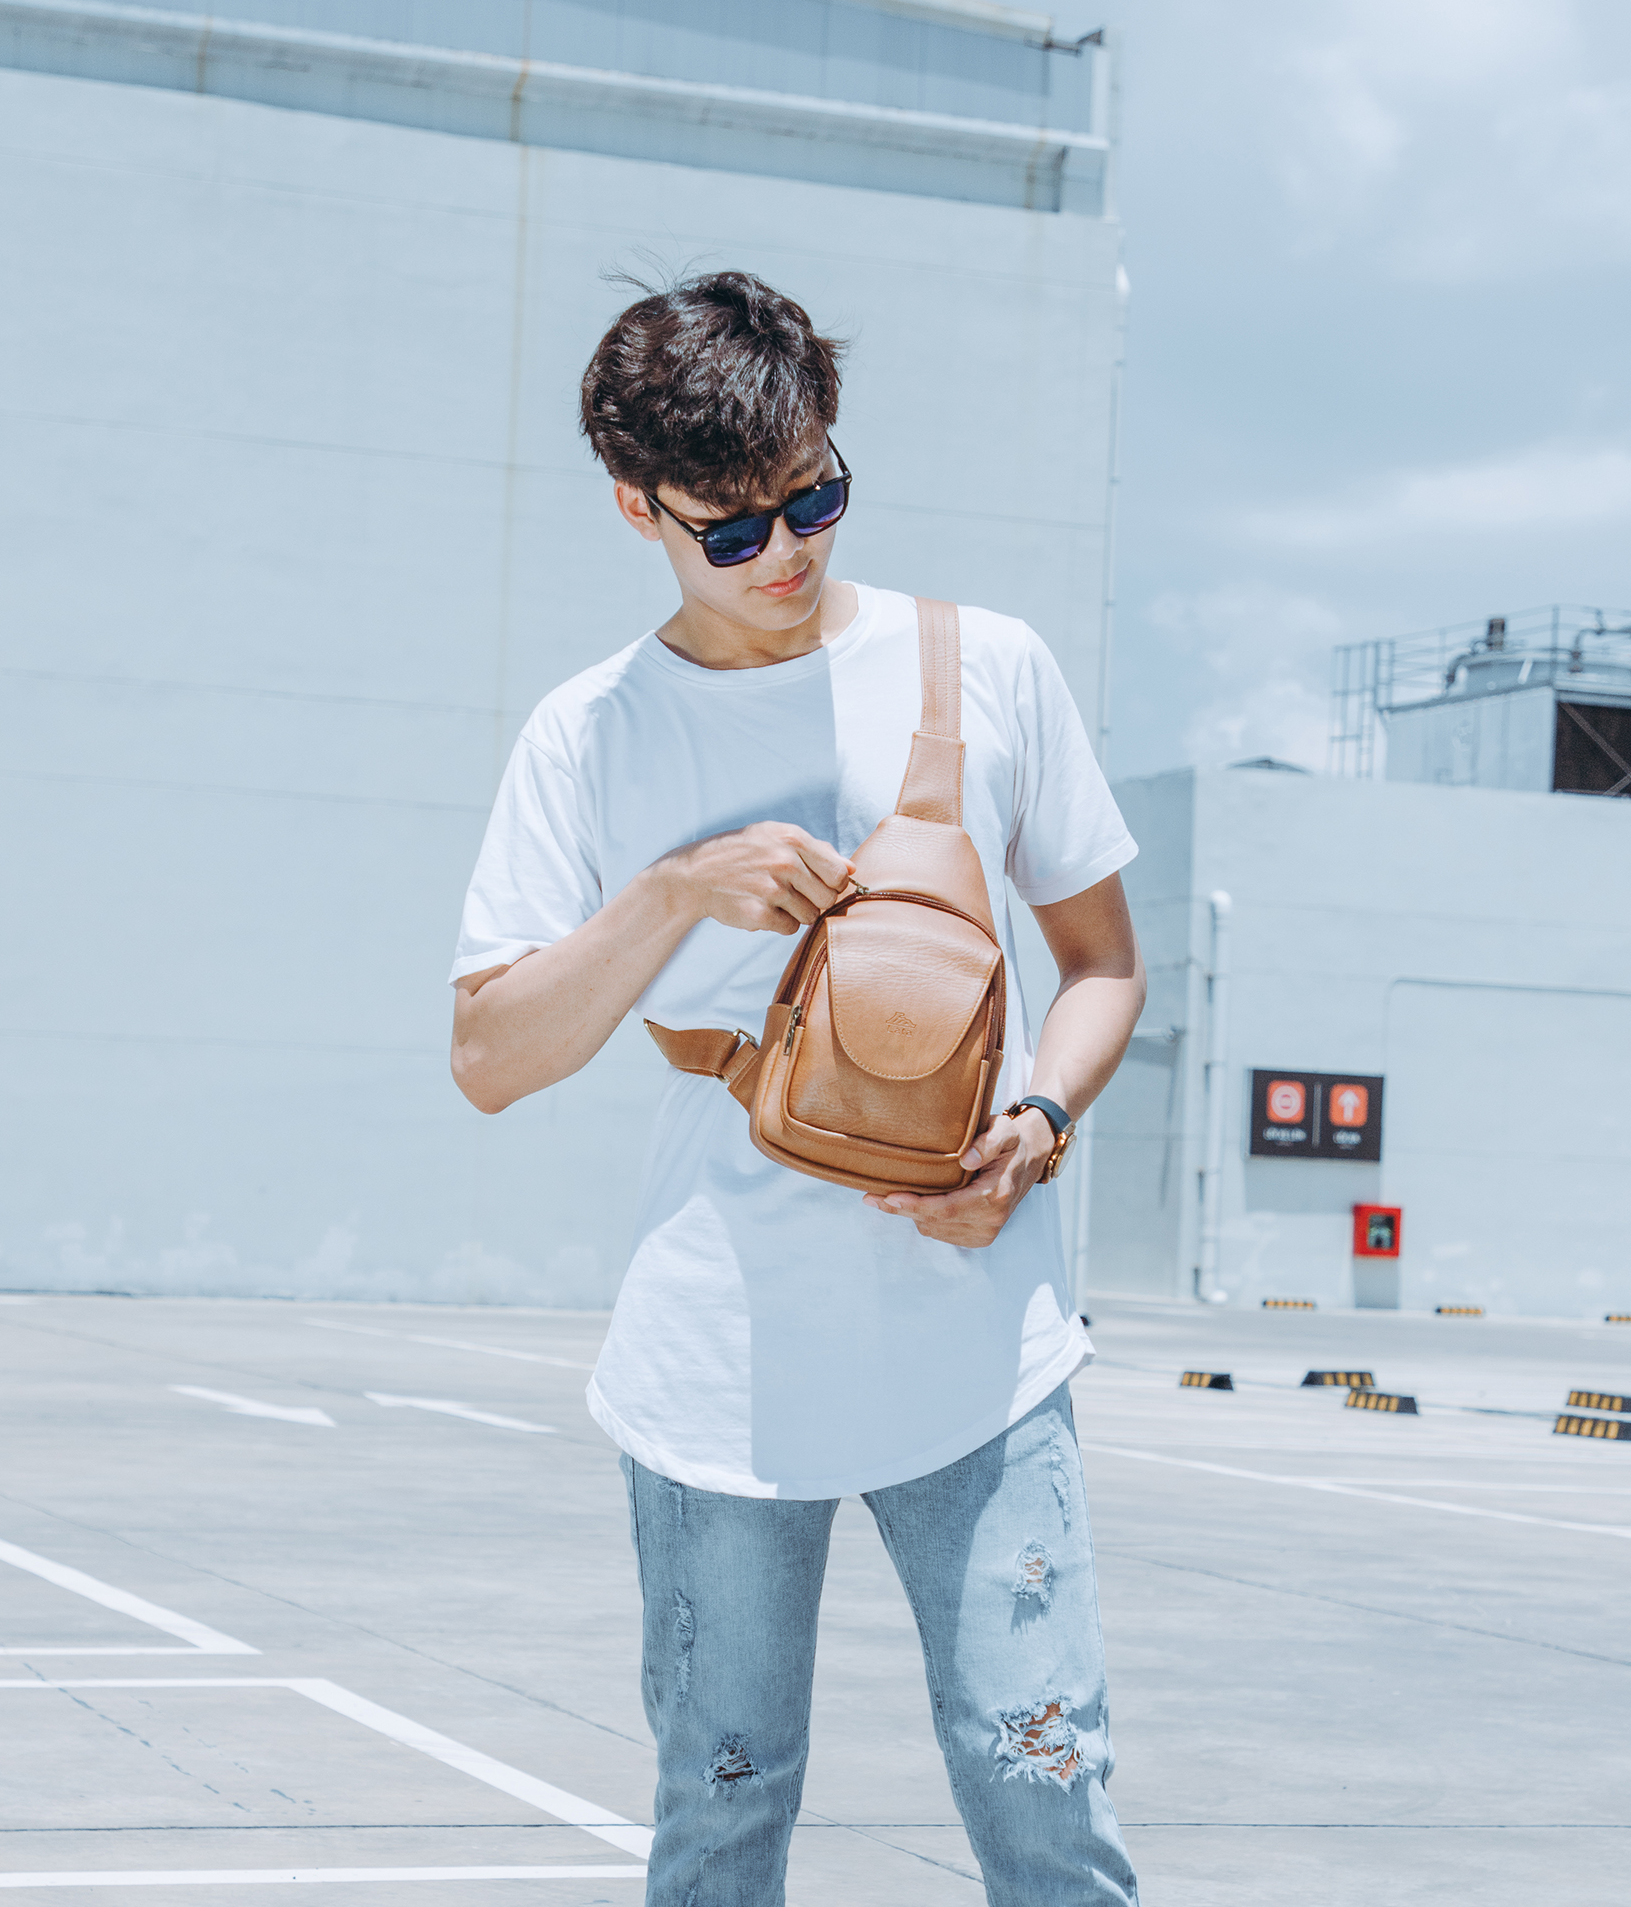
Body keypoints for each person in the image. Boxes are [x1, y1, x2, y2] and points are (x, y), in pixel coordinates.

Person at [448, 271, 1145, 1904]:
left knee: (1045, 1800)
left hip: (980, 1349)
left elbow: (1105, 966)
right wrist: (675, 893)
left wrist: (1039, 1128)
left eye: (815, 498)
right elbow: (489, 1058)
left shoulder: (986, 665)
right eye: (735, 529)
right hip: (715, 1365)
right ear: (637, 506)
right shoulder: (591, 733)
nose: (787, 554)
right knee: (722, 1814)